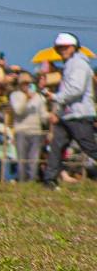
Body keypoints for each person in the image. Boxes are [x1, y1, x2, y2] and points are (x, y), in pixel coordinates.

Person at [41, 33, 97, 189]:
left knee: (90, 148)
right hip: (68, 115)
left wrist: (56, 97)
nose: (62, 51)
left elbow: (76, 90)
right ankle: (49, 181)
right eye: (60, 48)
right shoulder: (70, 63)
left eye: (66, 47)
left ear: (74, 47)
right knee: (56, 147)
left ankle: (50, 180)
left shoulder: (78, 64)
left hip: (79, 115)